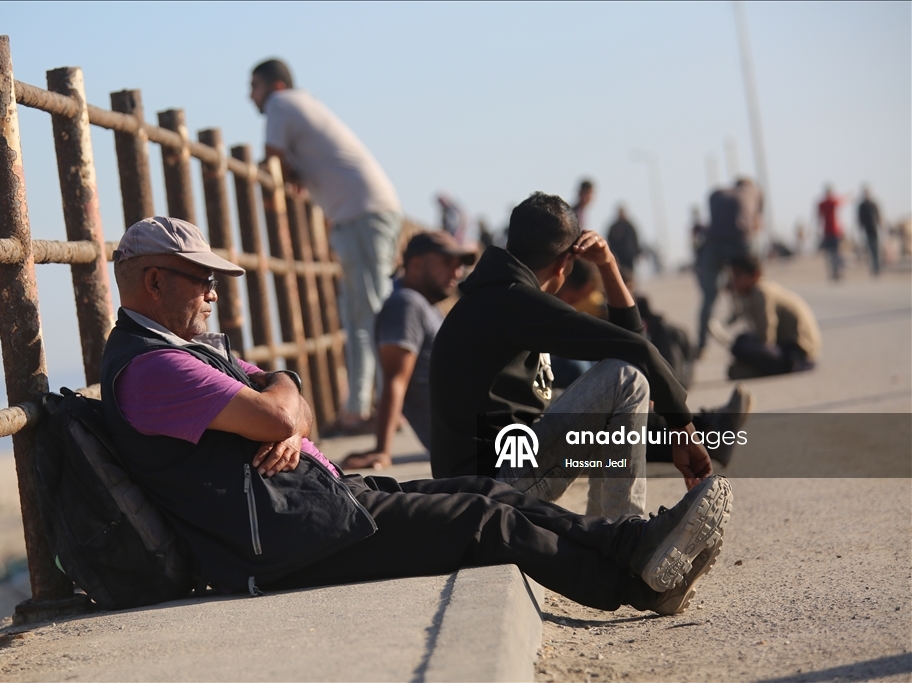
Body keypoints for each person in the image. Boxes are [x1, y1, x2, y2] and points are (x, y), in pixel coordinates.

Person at [99, 215, 734, 618]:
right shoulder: (154, 368)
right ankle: (637, 583)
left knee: (485, 490)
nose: (214, 292)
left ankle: (633, 547)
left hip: (310, 506)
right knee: (481, 520)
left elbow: (298, 414)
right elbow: (275, 417)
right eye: (201, 279)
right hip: (290, 537)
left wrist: (284, 392)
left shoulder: (180, 353)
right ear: (154, 282)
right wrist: (279, 406)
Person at [430, 192, 713, 518]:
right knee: (625, 380)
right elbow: (637, 352)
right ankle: (625, 532)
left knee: (614, 391)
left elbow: (630, 346)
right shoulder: (511, 301)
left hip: (489, 483)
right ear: (564, 263)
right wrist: (684, 430)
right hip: (491, 490)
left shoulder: (497, 296)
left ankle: (604, 530)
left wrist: (607, 265)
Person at [250, 58, 403, 432]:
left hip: (361, 214)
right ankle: (361, 410)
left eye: (253, 85)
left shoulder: (280, 104)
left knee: (370, 316)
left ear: (275, 85)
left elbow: (272, 159)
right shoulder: (301, 104)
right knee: (358, 318)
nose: (249, 95)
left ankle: (383, 412)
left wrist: (278, 177)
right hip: (361, 213)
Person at [341, 232, 476, 470]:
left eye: (459, 267)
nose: (457, 273)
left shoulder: (427, 306)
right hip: (469, 441)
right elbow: (396, 380)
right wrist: (382, 450)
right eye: (447, 263)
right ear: (415, 264)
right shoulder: (405, 304)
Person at [695, 178, 762, 356]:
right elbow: (756, 222)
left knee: (709, 295)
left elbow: (713, 220)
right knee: (754, 285)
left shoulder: (717, 194)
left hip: (714, 244)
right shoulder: (755, 192)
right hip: (741, 241)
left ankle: (701, 343)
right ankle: (758, 333)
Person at [725, 255, 821, 379]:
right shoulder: (754, 293)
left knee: (741, 344)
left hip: (799, 355)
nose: (733, 281)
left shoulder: (761, 293)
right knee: (743, 345)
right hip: (791, 350)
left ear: (755, 275)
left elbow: (766, 338)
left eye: (737, 276)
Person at [817, 185, 845, 281]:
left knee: (836, 253)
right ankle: (832, 273)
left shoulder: (830, 202)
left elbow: (840, 202)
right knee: (829, 254)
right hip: (827, 232)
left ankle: (837, 272)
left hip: (835, 231)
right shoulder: (824, 203)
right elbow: (819, 217)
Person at [606, 205, 642, 278]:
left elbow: (635, 240)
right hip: (618, 257)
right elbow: (610, 241)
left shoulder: (630, 226)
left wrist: (638, 254)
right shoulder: (614, 227)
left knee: (630, 275)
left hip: (629, 256)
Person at [857, 186, 882, 277]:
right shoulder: (862, 206)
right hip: (867, 230)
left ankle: (877, 268)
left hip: (874, 229)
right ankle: (873, 269)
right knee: (870, 250)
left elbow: (878, 215)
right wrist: (860, 229)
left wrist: (881, 225)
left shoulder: (873, 204)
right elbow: (860, 218)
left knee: (876, 250)